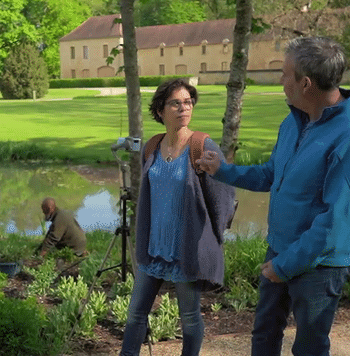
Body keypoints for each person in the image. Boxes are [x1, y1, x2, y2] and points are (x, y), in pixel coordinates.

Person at [196, 37, 350, 356]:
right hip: (278, 248)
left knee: (309, 348)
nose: (280, 81)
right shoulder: (293, 121)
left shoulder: (345, 135)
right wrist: (223, 171)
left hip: (319, 264)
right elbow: (270, 174)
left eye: (283, 73)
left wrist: (283, 267)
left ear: (305, 83)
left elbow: (333, 223)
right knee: (264, 334)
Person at [120, 78, 236, 356]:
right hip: (153, 250)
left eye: (188, 102)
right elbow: (148, 194)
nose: (184, 108)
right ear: (160, 110)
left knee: (190, 318)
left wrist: (213, 237)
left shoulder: (201, 145)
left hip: (185, 251)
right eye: (176, 103)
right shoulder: (152, 147)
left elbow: (225, 196)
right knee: (135, 315)